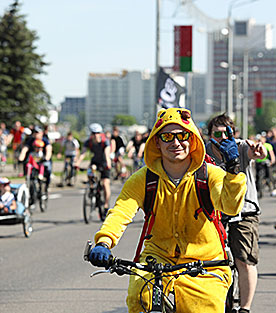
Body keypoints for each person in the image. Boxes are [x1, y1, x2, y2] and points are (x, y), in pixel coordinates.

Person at [87, 108, 247, 313]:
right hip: (157, 257)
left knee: (202, 308)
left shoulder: (210, 174)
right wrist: (104, 242)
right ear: (157, 142)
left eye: (182, 136)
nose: (176, 143)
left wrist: (233, 170)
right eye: (167, 136)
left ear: (193, 139)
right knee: (139, 297)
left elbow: (230, 207)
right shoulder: (144, 178)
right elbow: (121, 212)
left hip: (206, 262)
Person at [205, 113, 266, 313]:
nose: (222, 138)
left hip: (244, 211)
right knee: (206, 258)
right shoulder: (203, 152)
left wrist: (259, 150)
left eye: (226, 133)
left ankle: (245, 308)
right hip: (214, 211)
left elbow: (259, 153)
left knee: (244, 260)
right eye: (217, 133)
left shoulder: (239, 146)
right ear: (209, 135)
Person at [75, 123, 111, 211]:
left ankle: (106, 204)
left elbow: (107, 154)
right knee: (91, 172)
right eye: (93, 133)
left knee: (105, 183)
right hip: (95, 162)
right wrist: (77, 163)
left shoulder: (104, 141)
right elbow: (83, 153)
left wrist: (108, 163)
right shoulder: (88, 142)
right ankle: (92, 188)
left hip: (104, 162)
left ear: (100, 133)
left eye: (97, 133)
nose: (95, 135)